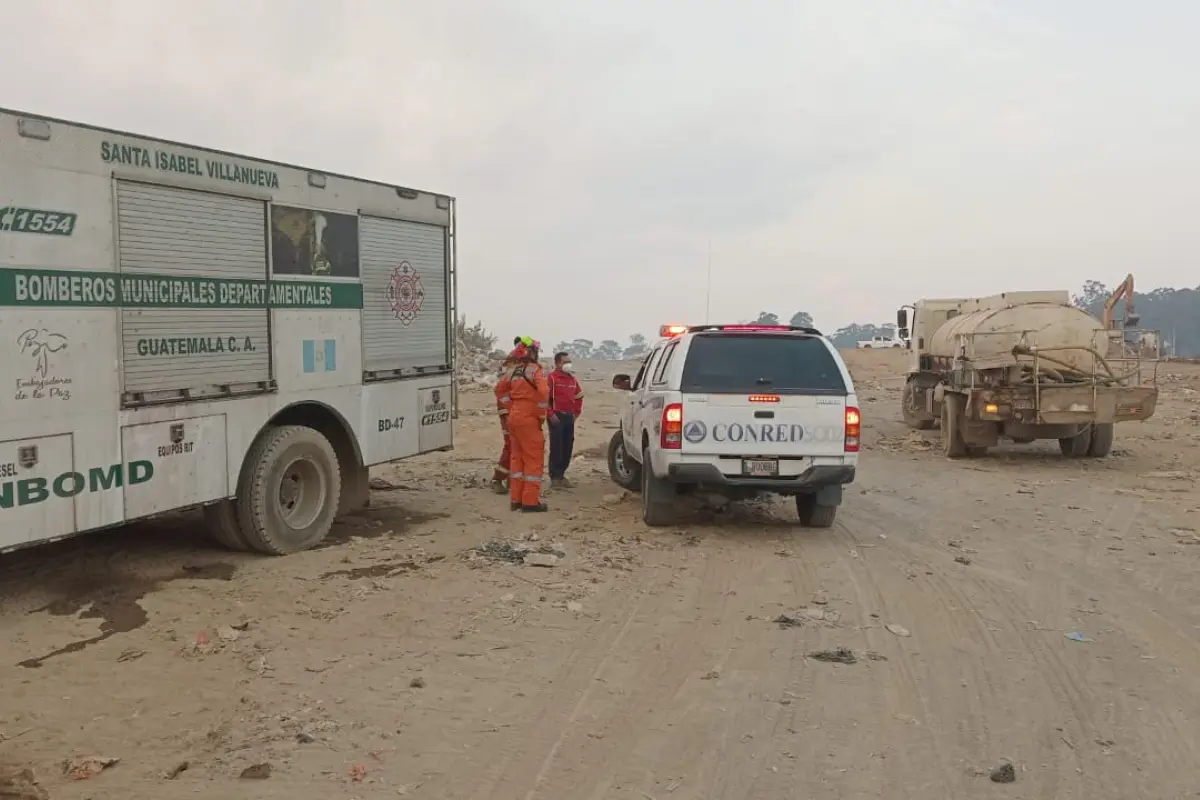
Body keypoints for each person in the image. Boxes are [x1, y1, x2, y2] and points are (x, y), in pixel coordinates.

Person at [506, 340, 551, 512]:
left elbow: (499, 390)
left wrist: (511, 407)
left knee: (517, 458)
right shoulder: (535, 370)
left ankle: (515, 500)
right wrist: (540, 414)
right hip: (528, 419)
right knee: (533, 459)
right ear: (532, 352)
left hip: (514, 417)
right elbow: (544, 392)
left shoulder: (514, 371)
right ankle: (530, 502)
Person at [490, 342, 526, 494]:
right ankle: (497, 478)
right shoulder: (509, 377)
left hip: (520, 415)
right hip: (508, 416)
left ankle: (513, 479)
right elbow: (501, 395)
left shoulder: (523, 376)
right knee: (511, 446)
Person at [547, 351, 584, 487]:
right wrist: (550, 414)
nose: (568, 364)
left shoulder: (572, 379)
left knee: (568, 446)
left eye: (569, 362)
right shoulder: (551, 378)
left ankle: (562, 474)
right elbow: (545, 399)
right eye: (565, 362)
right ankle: (555, 477)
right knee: (557, 446)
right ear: (557, 363)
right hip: (556, 416)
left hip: (569, 416)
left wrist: (576, 413)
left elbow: (579, 396)